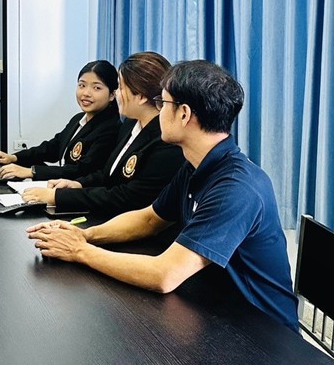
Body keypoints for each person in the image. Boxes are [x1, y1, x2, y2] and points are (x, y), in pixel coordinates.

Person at [26, 60, 299, 330]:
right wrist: (85, 235)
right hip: (212, 306)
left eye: (162, 103)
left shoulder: (236, 187)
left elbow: (165, 275)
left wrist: (79, 251)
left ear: (184, 114)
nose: (158, 111)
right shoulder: (195, 164)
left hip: (260, 333)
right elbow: (149, 219)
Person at [20, 52, 183, 217]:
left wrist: (58, 197)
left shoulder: (166, 142)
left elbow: (127, 197)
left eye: (120, 88)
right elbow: (108, 174)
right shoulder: (130, 124)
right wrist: (78, 184)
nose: (117, 93)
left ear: (140, 96)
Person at [0, 60, 120, 181]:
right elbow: (53, 148)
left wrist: (31, 172)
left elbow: (82, 170)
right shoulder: (78, 119)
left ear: (112, 95)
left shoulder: (111, 128)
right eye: (82, 85)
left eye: (96, 88)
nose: (86, 93)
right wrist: (14, 158)